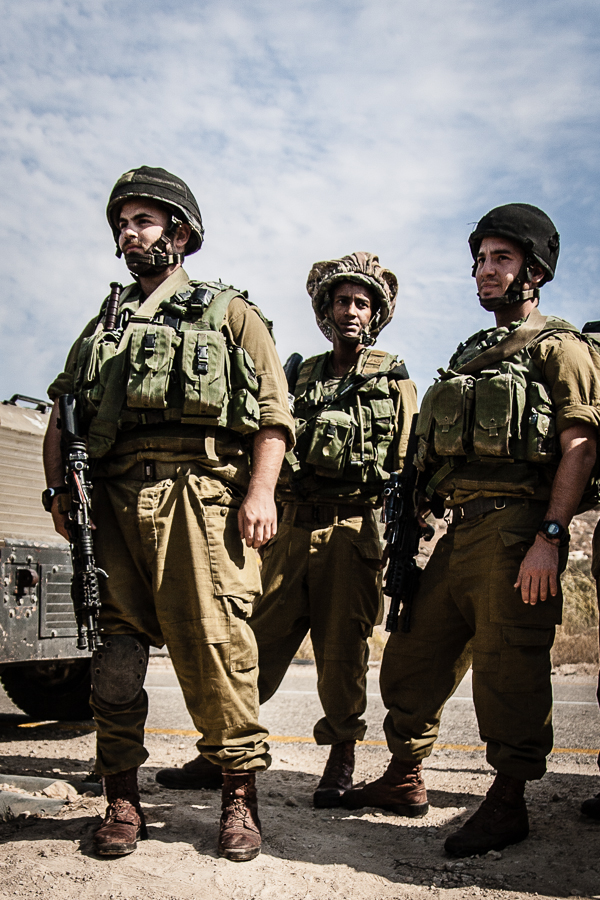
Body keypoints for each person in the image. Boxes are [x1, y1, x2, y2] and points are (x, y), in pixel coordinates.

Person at [42, 166, 294, 862]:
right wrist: (62, 492)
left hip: (199, 496)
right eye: (123, 223)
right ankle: (122, 796)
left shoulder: (226, 312)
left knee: (218, 649)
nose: (129, 233)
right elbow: (62, 412)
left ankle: (238, 798)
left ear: (180, 234)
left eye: (143, 221)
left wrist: (261, 492)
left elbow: (274, 416)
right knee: (115, 655)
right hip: (113, 505)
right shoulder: (105, 323)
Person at [341, 205, 600, 856]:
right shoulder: (470, 356)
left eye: (501, 259)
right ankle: (405, 775)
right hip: (453, 531)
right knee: (412, 654)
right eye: (480, 259)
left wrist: (548, 536)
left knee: (509, 668)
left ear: (535, 271)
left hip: (516, 530)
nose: (485, 270)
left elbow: (579, 446)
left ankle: (508, 800)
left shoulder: (560, 348)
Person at [156, 252, 418, 807]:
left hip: (352, 533)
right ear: (326, 309)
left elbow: (407, 465)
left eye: (363, 303)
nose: (351, 310)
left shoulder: (396, 381)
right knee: (252, 644)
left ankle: (341, 758)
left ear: (375, 315)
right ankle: (221, 753)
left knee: (342, 655)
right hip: (289, 532)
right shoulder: (299, 372)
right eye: (342, 300)